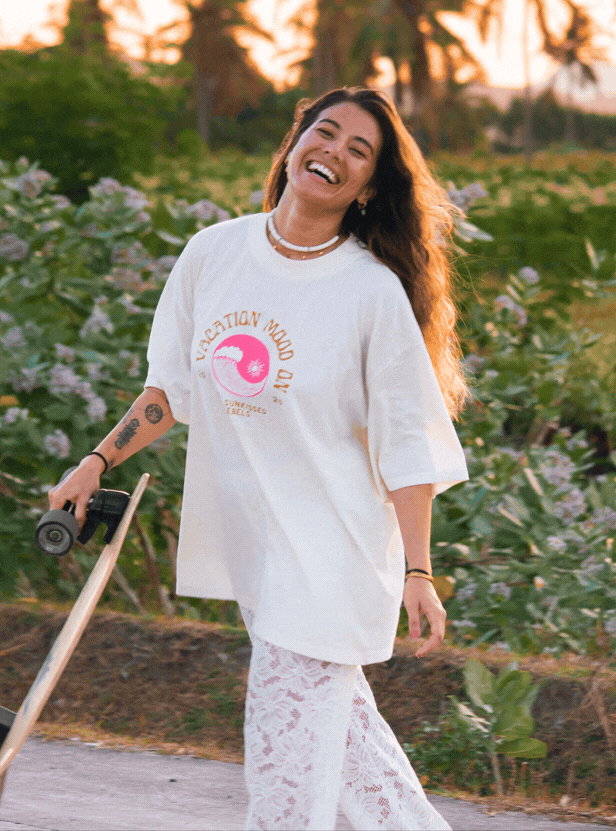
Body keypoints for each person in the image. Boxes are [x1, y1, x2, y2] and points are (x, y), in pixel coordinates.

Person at [49, 87, 469, 831]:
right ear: (294, 142)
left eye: (358, 150)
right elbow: (169, 391)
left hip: (332, 562)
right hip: (262, 558)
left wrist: (418, 570)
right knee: (356, 767)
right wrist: (96, 461)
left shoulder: (370, 292)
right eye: (325, 132)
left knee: (285, 775)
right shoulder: (214, 253)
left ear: (370, 185)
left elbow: (408, 444)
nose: (333, 153)